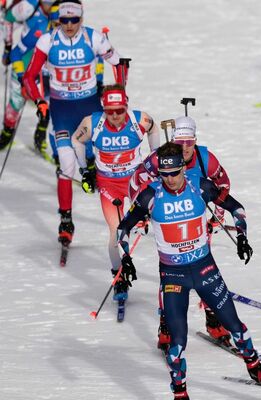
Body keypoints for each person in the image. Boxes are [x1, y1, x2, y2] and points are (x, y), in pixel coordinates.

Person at [116, 142, 261, 398]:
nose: (170, 180)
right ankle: (180, 393)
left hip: (205, 269)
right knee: (177, 344)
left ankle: (255, 368)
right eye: (164, 174)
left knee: (237, 327)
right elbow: (123, 228)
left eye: (175, 173)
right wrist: (126, 258)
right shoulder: (150, 195)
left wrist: (243, 237)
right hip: (173, 276)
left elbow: (237, 208)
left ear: (183, 167)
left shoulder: (200, 186)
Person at [21, 0, 127, 249]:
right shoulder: (47, 41)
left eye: (74, 20)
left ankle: (128, 209)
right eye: (64, 20)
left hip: (90, 108)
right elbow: (29, 76)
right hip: (62, 111)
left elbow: (119, 63)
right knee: (66, 165)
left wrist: (120, 94)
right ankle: (66, 221)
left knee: (110, 157)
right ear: (59, 19)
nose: (69, 25)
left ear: (81, 18)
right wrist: (39, 101)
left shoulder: (95, 39)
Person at [128, 116, 234, 351]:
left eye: (188, 142)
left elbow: (223, 185)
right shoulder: (160, 159)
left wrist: (218, 216)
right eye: (180, 142)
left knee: (205, 270)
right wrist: (141, 210)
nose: (184, 147)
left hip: (196, 222)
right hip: (168, 221)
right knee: (170, 272)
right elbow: (135, 181)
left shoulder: (206, 158)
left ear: (195, 140)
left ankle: (212, 318)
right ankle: (166, 322)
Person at [70, 85, 157, 303]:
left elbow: (154, 129)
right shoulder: (93, 123)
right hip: (108, 185)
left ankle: (178, 266)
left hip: (136, 181)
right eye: (110, 111)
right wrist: (84, 169)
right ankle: (118, 276)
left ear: (126, 106)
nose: (116, 116)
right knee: (115, 233)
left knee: (160, 221)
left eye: (120, 110)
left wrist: (155, 158)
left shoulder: (140, 120)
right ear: (104, 108)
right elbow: (76, 140)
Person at [0, 0, 57, 152]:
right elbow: (8, 20)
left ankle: (40, 135)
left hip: (47, 67)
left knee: (50, 102)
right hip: (25, 60)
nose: (49, 6)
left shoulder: (64, 9)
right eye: (46, 2)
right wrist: (7, 47)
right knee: (17, 101)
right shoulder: (29, 6)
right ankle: (7, 133)